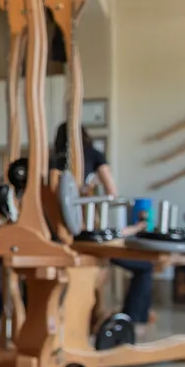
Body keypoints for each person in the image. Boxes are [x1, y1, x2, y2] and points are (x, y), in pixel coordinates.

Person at [54, 122, 154, 326]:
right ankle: (132, 321)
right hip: (85, 238)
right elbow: (112, 194)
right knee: (145, 267)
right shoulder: (93, 154)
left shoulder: (51, 162)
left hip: (57, 237)